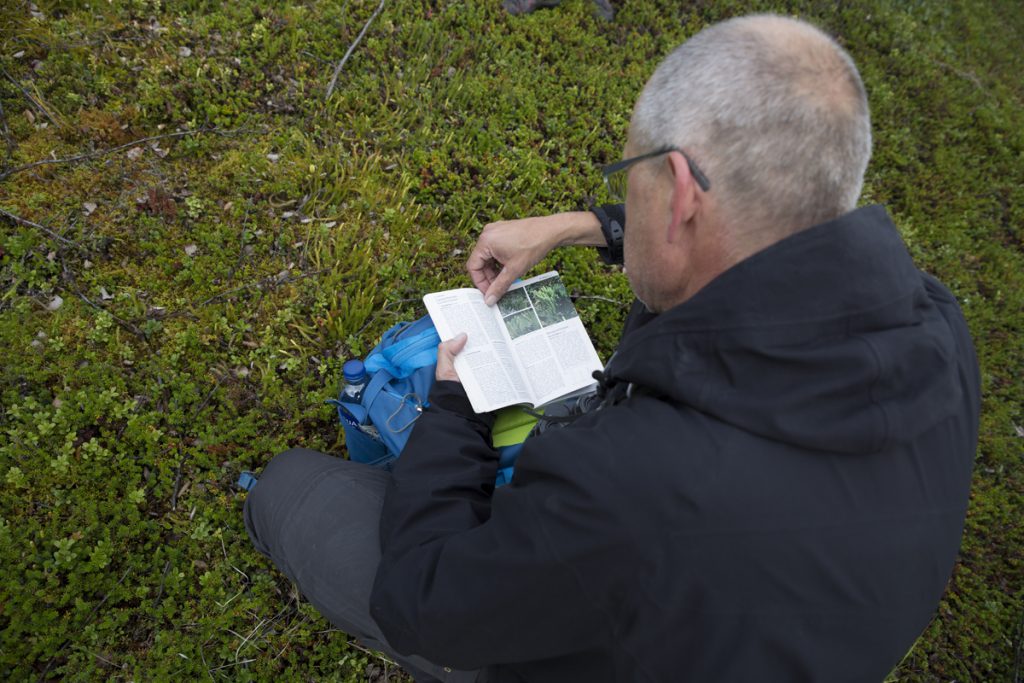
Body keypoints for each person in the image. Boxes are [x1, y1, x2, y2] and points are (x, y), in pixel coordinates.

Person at [244, 14, 979, 682]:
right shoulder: (937, 328)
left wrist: (458, 406)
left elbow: (425, 605)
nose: (627, 198)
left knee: (293, 490)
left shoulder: (630, 482)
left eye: (631, 182)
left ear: (683, 196)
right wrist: (583, 226)